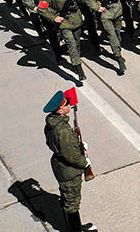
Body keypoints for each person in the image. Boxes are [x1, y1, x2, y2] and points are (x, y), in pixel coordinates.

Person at [44, 90, 96, 232]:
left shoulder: (52, 123)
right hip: (69, 171)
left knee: (68, 199)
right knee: (71, 203)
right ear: (61, 110)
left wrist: (78, 144)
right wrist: (84, 162)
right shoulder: (63, 131)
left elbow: (56, 145)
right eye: (67, 103)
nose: (69, 105)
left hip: (61, 167)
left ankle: (76, 227)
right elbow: (71, 156)